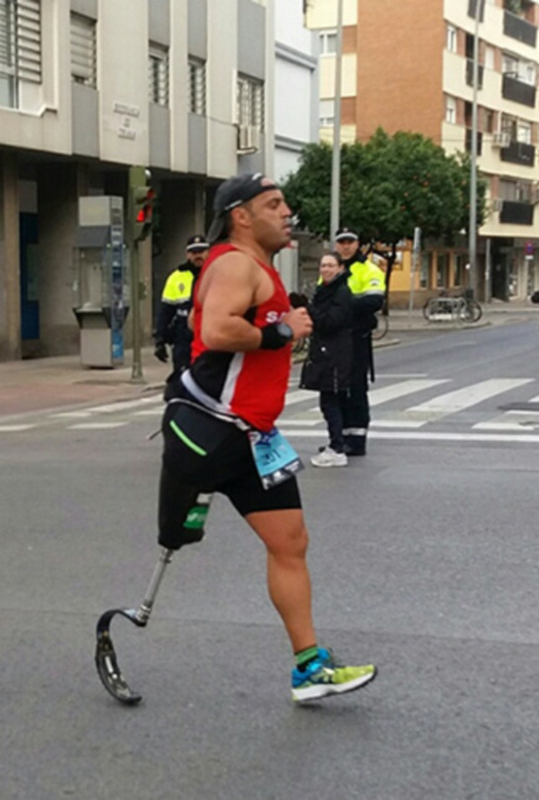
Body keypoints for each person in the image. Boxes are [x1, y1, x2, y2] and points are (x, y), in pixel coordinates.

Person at [158, 172, 377, 702]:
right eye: (273, 204)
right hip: (220, 428)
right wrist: (282, 331)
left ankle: (309, 667)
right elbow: (215, 331)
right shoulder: (236, 263)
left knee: (290, 543)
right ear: (241, 215)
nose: (286, 213)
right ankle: (308, 664)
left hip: (249, 433)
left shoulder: (248, 265)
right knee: (276, 543)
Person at [334, 227, 386, 456]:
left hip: (356, 338)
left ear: (357, 244)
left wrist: (342, 305)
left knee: (355, 388)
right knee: (338, 389)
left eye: (350, 242)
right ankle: (341, 438)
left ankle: (356, 440)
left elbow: (374, 301)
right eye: (341, 242)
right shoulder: (333, 269)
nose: (345, 246)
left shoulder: (368, 269)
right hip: (336, 338)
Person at [300, 251, 352, 467]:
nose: (326, 270)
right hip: (326, 352)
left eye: (331, 265)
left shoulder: (340, 291)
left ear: (340, 268)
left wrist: (309, 309)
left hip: (335, 355)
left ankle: (337, 448)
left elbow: (331, 322)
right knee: (329, 401)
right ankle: (335, 443)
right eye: (323, 266)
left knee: (330, 402)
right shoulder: (325, 290)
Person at [154, 235, 210, 375]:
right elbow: (165, 312)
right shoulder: (176, 277)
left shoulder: (217, 274)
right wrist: (160, 340)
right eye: (194, 252)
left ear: (208, 252)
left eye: (201, 251)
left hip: (210, 339)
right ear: (187, 254)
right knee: (181, 379)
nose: (198, 256)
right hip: (183, 341)